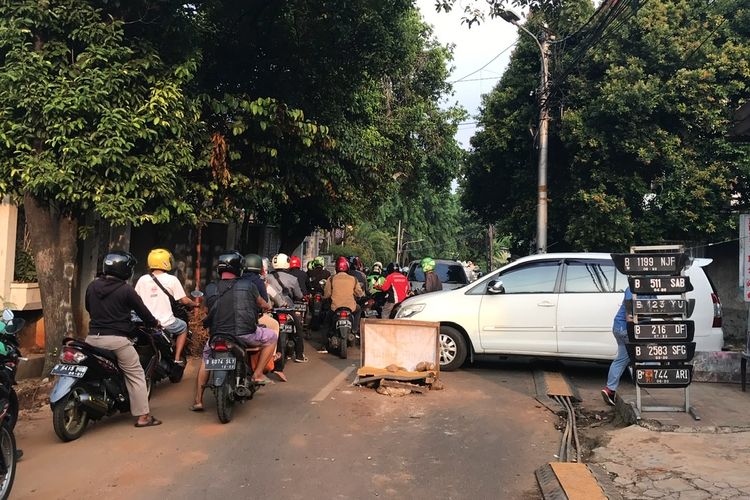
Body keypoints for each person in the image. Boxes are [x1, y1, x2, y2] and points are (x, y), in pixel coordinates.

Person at [191, 252, 277, 411]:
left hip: (217, 336)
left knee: (206, 358)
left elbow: (205, 310)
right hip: (245, 334)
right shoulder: (249, 286)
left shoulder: (210, 288)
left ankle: (198, 400)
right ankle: (257, 374)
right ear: (239, 269)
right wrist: (266, 307)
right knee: (272, 337)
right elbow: (264, 305)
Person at [86, 251, 162, 427]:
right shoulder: (126, 290)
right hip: (117, 340)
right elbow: (143, 313)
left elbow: (89, 308)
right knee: (136, 374)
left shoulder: (92, 286)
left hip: (91, 339)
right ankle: (144, 417)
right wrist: (154, 323)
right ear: (126, 270)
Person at [134, 248, 198, 366]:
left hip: (145, 322)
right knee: (183, 327)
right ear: (166, 262)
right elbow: (183, 300)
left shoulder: (142, 279)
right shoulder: (171, 279)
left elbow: (135, 298)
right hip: (165, 322)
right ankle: (177, 358)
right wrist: (194, 304)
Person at [268, 253, 308, 363]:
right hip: (288, 310)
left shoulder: (268, 277)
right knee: (298, 329)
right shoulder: (293, 279)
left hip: (272, 310)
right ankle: (299, 355)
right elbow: (299, 295)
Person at [601, 287, 633, 406]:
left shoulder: (637, 287)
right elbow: (629, 315)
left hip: (620, 327)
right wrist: (633, 331)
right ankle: (610, 390)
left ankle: (610, 390)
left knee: (622, 358)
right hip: (625, 329)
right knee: (636, 356)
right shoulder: (634, 287)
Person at [323, 256, 364, 333]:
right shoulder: (353, 279)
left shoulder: (331, 279)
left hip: (335, 307)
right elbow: (359, 293)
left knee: (326, 322)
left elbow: (327, 294)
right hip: (351, 307)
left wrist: (324, 297)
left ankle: (326, 338)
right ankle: (355, 329)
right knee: (359, 310)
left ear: (336, 267)